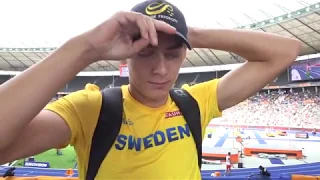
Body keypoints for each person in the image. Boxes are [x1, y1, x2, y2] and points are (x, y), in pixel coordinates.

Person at [0, 0, 301, 179]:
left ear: (185, 54)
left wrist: (188, 33)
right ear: (126, 55)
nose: (160, 69)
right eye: (145, 52)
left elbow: (285, 52)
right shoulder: (89, 108)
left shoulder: (196, 101)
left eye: (173, 54)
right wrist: (86, 48)